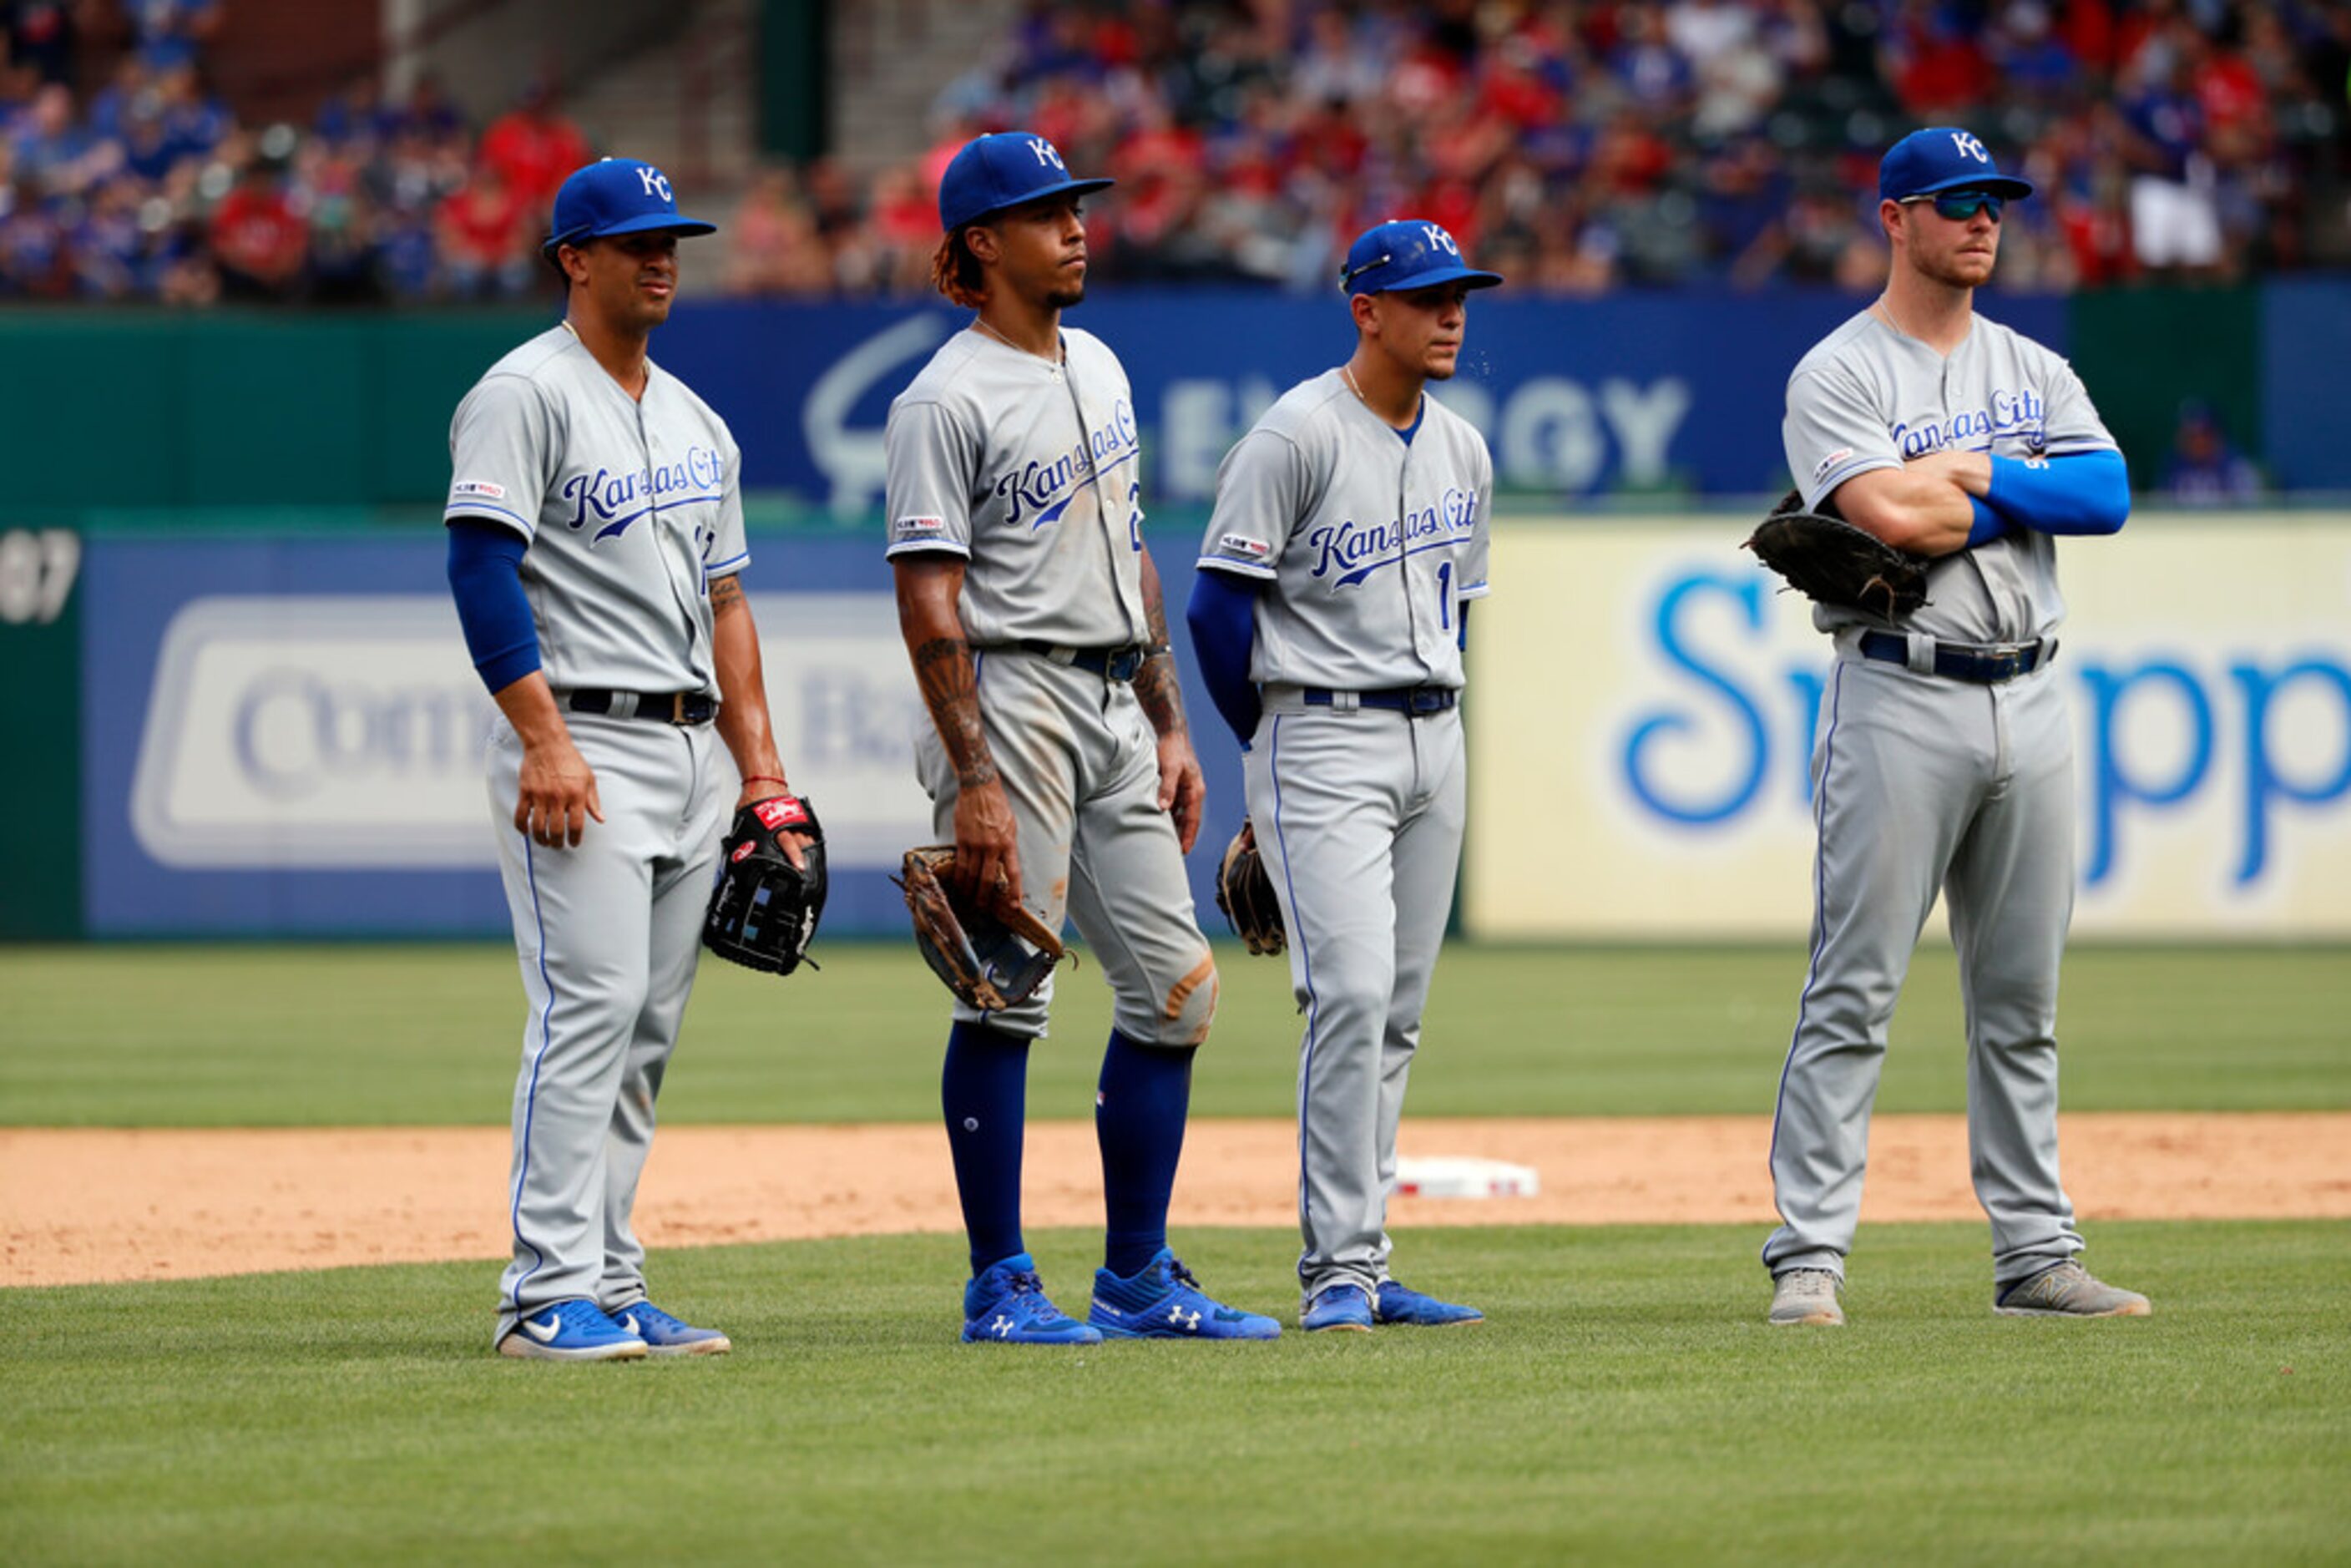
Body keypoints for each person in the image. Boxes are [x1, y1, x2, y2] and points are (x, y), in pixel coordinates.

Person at [883, 130, 1277, 1346]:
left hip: (1113, 699)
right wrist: (977, 779)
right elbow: (928, 597)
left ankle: (1137, 1276)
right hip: (1009, 697)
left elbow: (1132, 558)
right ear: (980, 245)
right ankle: (999, 1279)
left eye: (1077, 207)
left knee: (1177, 992)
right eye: (1047, 212)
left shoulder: (1099, 365)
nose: (1077, 225)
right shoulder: (941, 399)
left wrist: (1172, 721)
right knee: (1006, 992)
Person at [1765, 127, 2147, 1327]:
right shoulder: (1839, 371)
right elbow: (1883, 516)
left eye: (1995, 201)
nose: (1985, 219)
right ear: (1896, 217)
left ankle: (2036, 1256)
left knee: (2021, 999)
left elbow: (2108, 495)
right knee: (1854, 987)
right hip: (1901, 690)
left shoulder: (2032, 364)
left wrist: (1973, 475)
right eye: (1958, 201)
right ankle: (1810, 1254)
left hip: (2032, 692)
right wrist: (2002, 485)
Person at [445, 158, 811, 1360]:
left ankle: (607, 1270)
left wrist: (760, 772)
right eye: (637, 239)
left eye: (674, 239)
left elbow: (730, 602)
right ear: (575, 258)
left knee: (645, 1027)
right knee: (587, 1007)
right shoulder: (522, 392)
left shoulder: (697, 417)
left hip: (688, 746)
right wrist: (542, 735)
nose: (663, 257)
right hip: (582, 741)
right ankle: (542, 1292)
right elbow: (481, 566)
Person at [1186, 220, 1498, 1333]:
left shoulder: (1464, 447)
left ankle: (1367, 1254)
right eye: (1427, 295)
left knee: (1398, 1010)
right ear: (1367, 310)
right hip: (1321, 734)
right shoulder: (1295, 436)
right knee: (1351, 996)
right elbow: (1216, 611)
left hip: (1435, 732)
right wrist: (1265, 754)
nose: (1452, 310)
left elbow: (1459, 608)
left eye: (1459, 292)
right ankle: (1334, 1271)